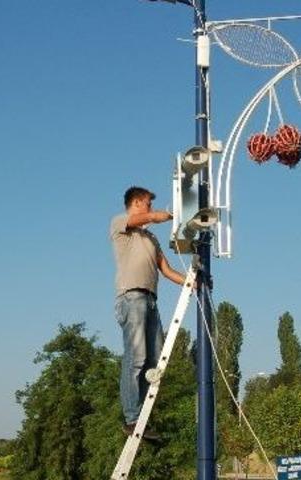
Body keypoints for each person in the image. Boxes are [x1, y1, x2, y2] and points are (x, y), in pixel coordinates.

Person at [110, 186, 186, 440]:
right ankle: (131, 418)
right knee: (137, 357)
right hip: (131, 297)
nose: (151, 209)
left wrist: (191, 282)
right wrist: (163, 215)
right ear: (137, 202)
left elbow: (167, 270)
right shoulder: (121, 224)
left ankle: (141, 416)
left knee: (154, 360)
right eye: (148, 205)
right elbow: (145, 219)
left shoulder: (151, 240)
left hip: (151, 301)